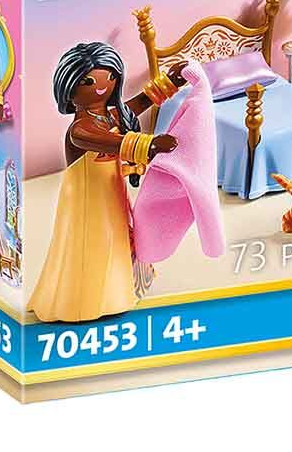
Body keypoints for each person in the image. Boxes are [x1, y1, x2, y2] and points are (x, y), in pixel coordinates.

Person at [28, 42, 187, 322]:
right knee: (93, 241)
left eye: (110, 77)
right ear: (69, 88)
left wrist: (170, 82)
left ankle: (118, 290)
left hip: (111, 189)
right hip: (87, 197)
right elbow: (112, 142)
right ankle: (84, 301)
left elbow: (138, 104)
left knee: (119, 235)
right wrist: (149, 144)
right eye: (89, 82)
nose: (102, 86)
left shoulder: (109, 116)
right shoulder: (80, 130)